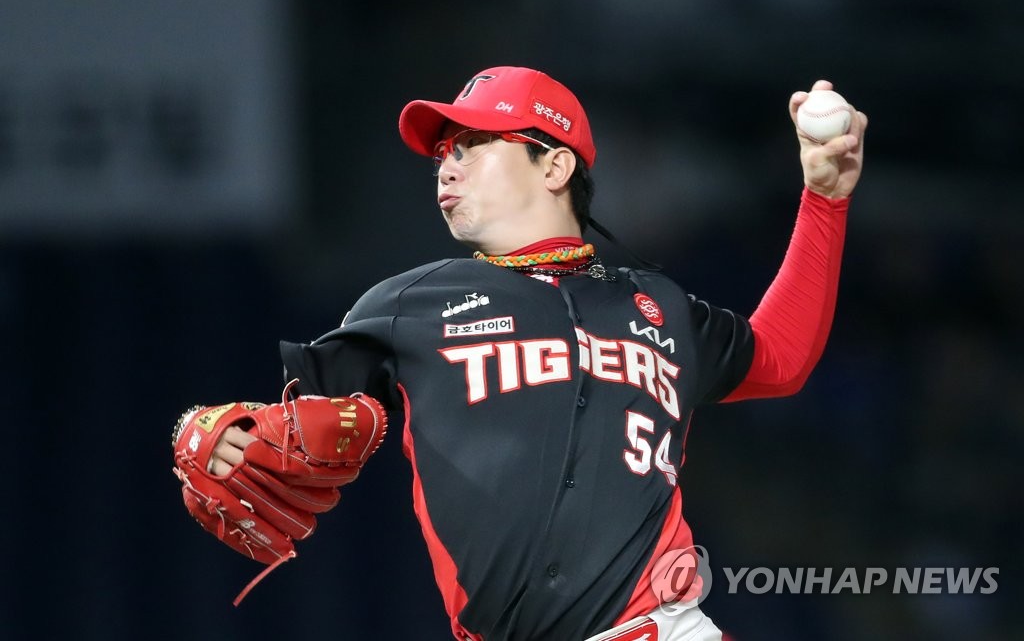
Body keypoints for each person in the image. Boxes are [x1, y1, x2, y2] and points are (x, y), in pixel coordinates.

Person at [202, 66, 867, 640]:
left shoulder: (658, 305)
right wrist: (216, 435)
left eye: (472, 143)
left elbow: (779, 357)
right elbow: (304, 422)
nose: (447, 163)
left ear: (555, 163)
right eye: (441, 152)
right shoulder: (407, 305)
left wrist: (826, 199)